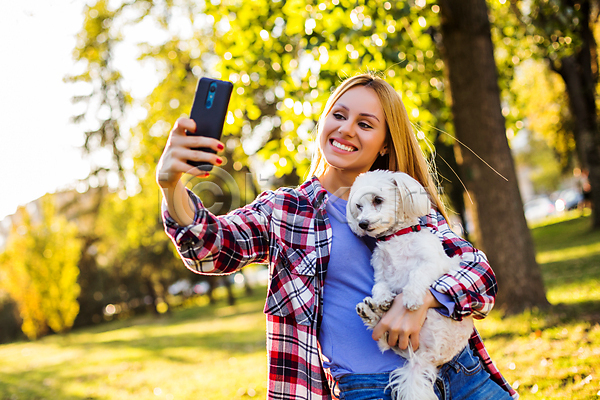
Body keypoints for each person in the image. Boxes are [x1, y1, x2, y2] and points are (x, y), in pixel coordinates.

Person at [156, 72, 518, 400]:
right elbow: (211, 248)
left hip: (462, 375)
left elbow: (480, 277)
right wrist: (171, 185)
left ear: (386, 144)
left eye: (365, 124)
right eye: (339, 115)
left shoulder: (406, 201)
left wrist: (422, 300)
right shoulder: (287, 211)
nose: (346, 129)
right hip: (371, 389)